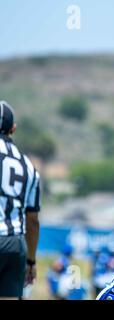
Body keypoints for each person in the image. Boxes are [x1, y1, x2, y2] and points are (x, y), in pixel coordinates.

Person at [0, 100, 41, 299]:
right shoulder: (28, 166)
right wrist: (31, 261)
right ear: (13, 128)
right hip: (16, 244)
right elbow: (32, 220)